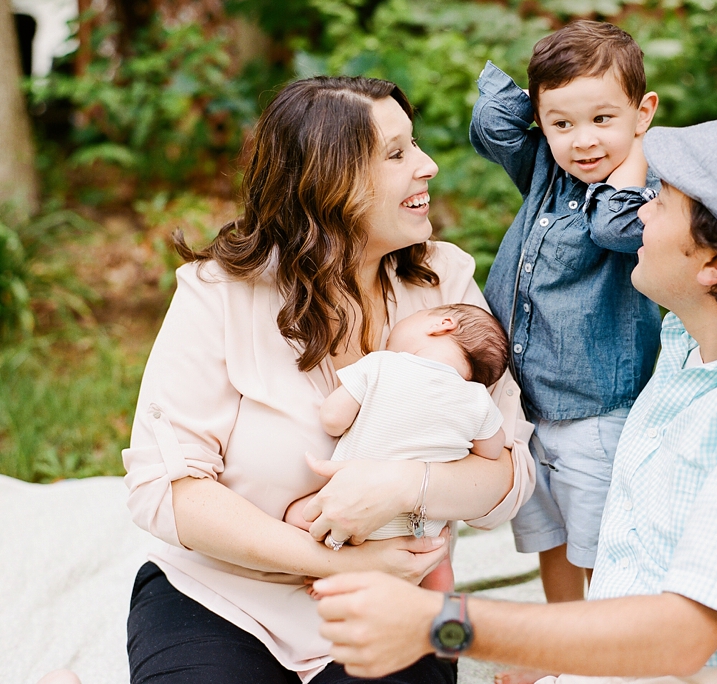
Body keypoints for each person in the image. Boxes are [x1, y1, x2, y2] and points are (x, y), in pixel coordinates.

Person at [312, 118, 717, 684]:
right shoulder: (688, 341)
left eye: (662, 199)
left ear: (714, 264)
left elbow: (684, 635)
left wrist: (440, 624)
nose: (640, 209)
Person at [121, 75, 535, 684]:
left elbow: (507, 477)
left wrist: (403, 488)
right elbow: (167, 489)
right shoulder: (217, 295)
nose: (428, 165)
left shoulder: (443, 287)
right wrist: (332, 559)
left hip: (391, 602)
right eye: (396, 154)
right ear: (327, 181)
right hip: (221, 597)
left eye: (413, 144)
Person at [471, 20, 661, 607]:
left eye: (603, 119)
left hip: (594, 410)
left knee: (601, 543)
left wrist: (634, 157)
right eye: (562, 123)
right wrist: (544, 100)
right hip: (524, 402)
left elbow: (612, 229)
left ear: (642, 112)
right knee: (548, 534)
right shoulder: (547, 170)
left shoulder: (646, 192)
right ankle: (562, 643)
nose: (583, 141)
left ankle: (610, 652)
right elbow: (491, 126)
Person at [283, 302, 511, 592]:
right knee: (438, 557)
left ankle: (330, 567)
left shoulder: (381, 364)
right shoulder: (478, 399)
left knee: (294, 514)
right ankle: (440, 606)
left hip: (347, 510)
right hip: (420, 530)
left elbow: (332, 420)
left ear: (443, 324)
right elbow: (492, 451)